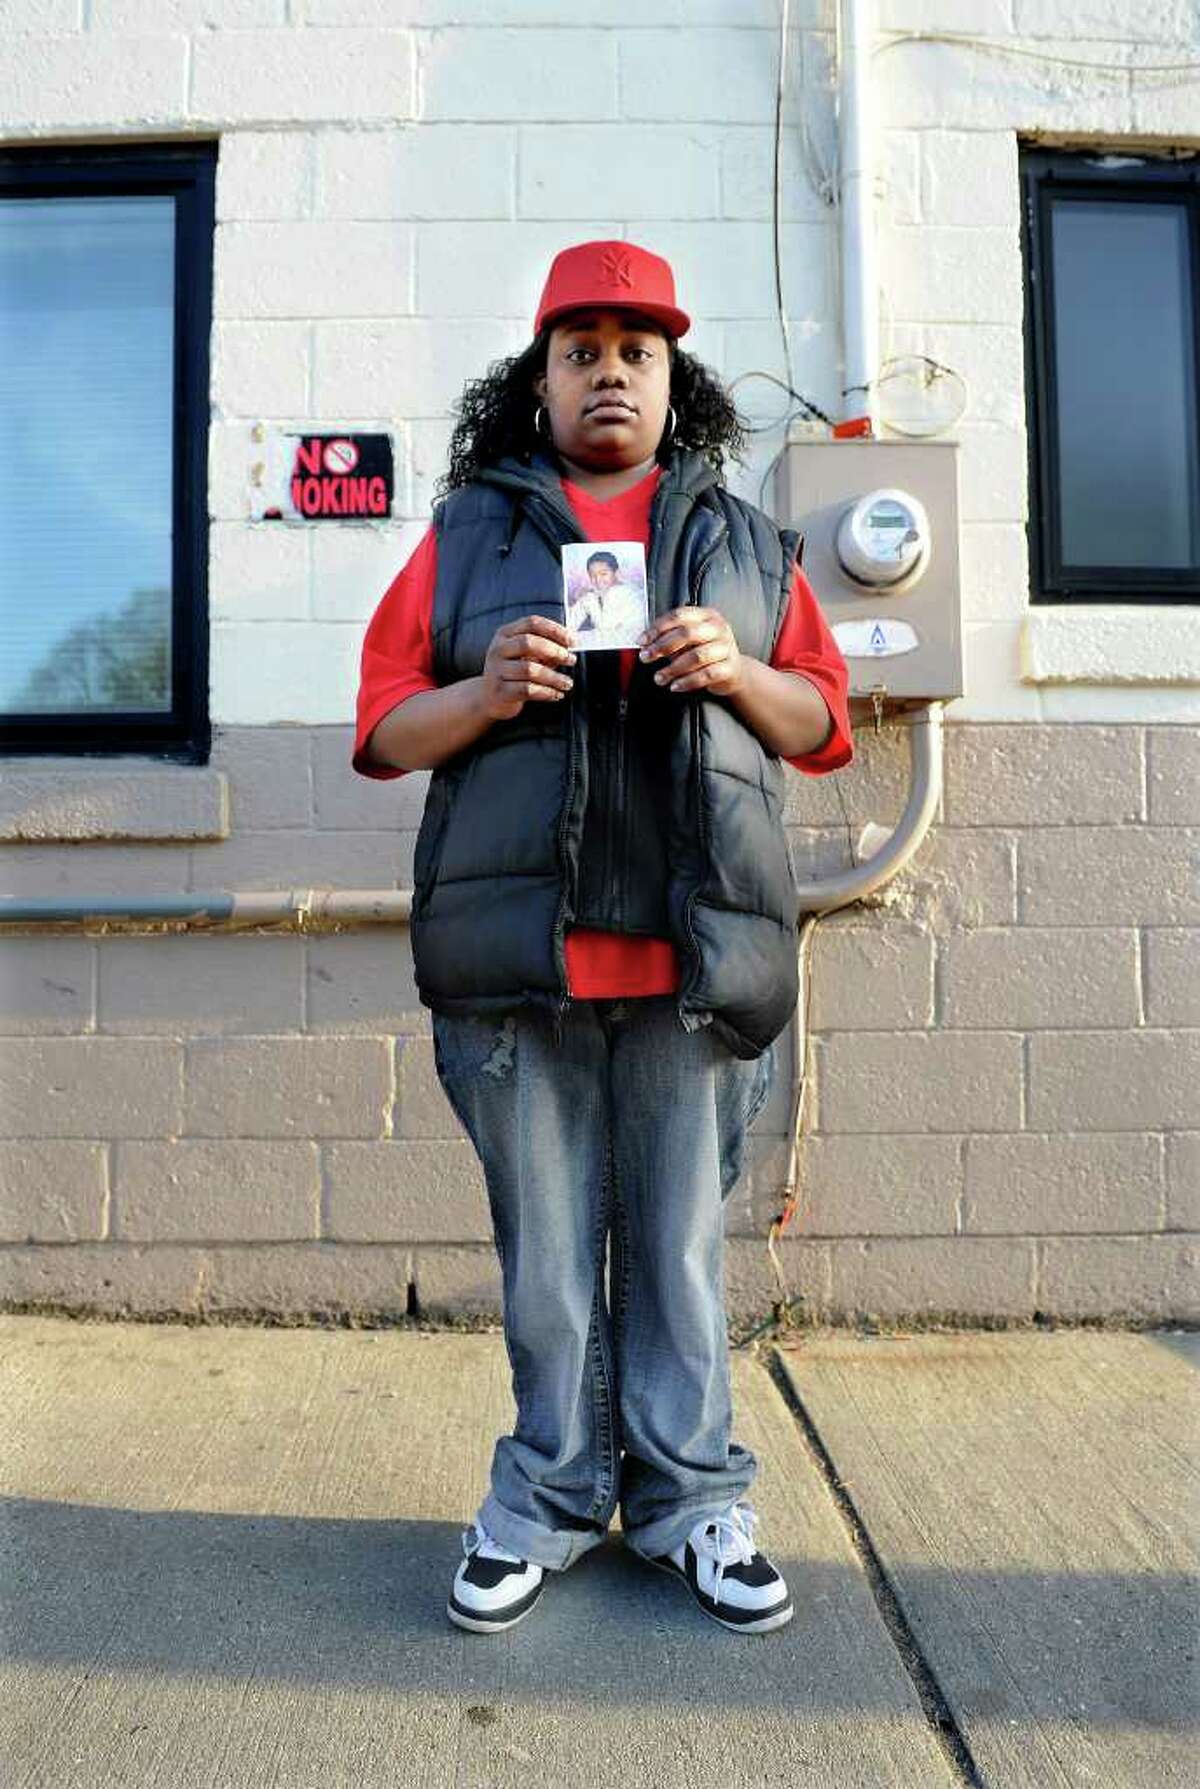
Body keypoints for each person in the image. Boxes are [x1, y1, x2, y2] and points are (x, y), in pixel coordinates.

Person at [352, 239, 853, 1638]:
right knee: (555, 1264)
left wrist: (739, 671)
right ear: (541, 382)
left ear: (669, 376)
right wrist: (490, 686)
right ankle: (548, 1498)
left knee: (683, 1253)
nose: (610, 371)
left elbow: (823, 724)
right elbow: (384, 729)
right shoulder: (468, 540)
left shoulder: (746, 543)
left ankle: (695, 1504)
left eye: (636, 350)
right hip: (526, 965)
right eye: (582, 350)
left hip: (691, 966)